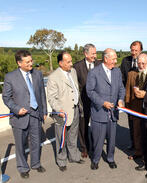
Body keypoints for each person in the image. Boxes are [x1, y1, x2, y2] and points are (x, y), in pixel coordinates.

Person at [2, 50, 47, 179]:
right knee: (20, 145)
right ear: (19, 63)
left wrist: (43, 111)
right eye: (27, 62)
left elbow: (42, 94)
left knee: (35, 141)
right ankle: (22, 167)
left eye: (31, 60)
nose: (31, 63)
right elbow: (6, 98)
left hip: (36, 114)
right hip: (19, 117)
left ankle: (36, 163)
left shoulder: (37, 74)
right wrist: (16, 109)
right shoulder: (10, 77)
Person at [86, 48, 125, 170]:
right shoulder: (94, 72)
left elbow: (121, 88)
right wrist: (103, 103)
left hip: (113, 113)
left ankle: (110, 158)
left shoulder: (117, 71)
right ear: (106, 58)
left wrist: (120, 99)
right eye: (113, 59)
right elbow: (90, 91)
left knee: (112, 139)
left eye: (116, 59)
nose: (115, 61)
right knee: (98, 140)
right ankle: (96, 159)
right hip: (99, 112)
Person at [47, 51, 85, 172]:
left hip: (75, 110)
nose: (71, 63)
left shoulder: (72, 71)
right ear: (60, 63)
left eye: (71, 61)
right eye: (68, 62)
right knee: (61, 138)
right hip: (62, 113)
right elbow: (52, 98)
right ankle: (61, 160)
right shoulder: (53, 77)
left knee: (73, 136)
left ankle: (74, 156)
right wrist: (59, 110)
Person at [73, 43, 101, 158]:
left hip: (97, 101)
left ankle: (96, 146)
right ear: (86, 53)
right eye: (93, 53)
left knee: (96, 125)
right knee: (83, 126)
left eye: (95, 53)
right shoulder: (77, 66)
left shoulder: (99, 64)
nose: (95, 55)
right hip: (83, 102)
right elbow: (75, 85)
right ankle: (85, 148)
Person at [125, 53, 147, 160]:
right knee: (137, 132)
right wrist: (128, 109)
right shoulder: (131, 74)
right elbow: (128, 93)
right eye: (139, 63)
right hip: (135, 109)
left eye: (143, 63)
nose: (141, 66)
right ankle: (138, 152)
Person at [120, 40, 143, 150]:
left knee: (141, 123)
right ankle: (133, 142)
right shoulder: (125, 61)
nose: (134, 53)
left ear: (141, 50)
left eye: (136, 50)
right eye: (132, 50)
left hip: (141, 98)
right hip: (128, 97)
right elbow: (122, 79)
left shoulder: (144, 61)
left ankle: (141, 145)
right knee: (131, 121)